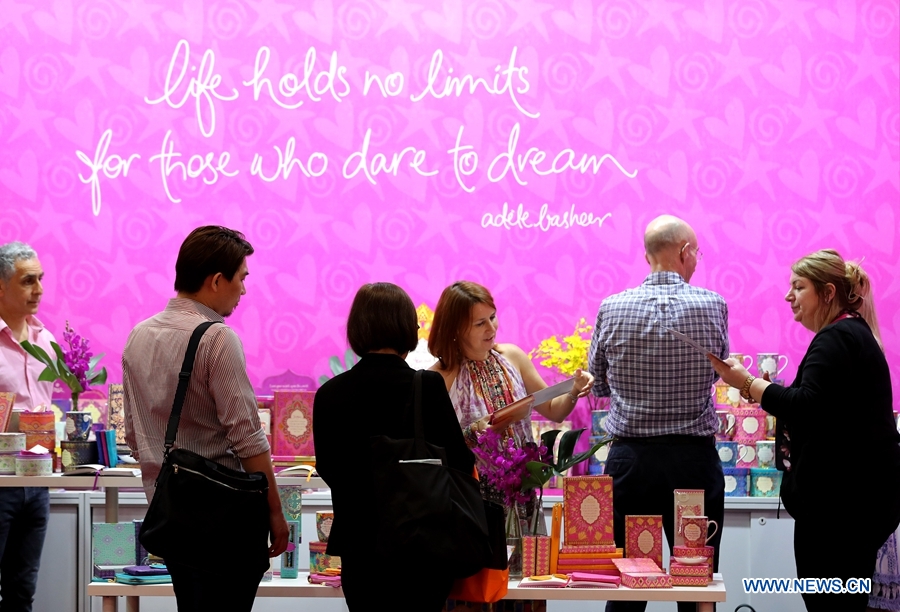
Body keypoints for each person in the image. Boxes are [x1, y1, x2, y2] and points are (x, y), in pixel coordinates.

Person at [710, 249, 900, 612]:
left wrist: (747, 382)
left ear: (827, 293)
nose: (788, 296)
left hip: (840, 513)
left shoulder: (836, 338)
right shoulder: (849, 335)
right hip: (852, 507)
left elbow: (805, 406)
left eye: (799, 287)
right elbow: (821, 406)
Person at [123, 226, 287, 612]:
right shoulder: (217, 338)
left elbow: (132, 435)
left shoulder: (138, 335)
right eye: (241, 278)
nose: (243, 290)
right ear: (216, 280)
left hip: (170, 515)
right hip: (224, 520)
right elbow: (248, 439)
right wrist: (275, 512)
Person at [588, 215, 728, 612]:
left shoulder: (612, 307)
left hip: (631, 463)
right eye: (696, 252)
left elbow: (598, 385)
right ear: (684, 251)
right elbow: (719, 373)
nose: (696, 259)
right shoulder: (713, 304)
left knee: (629, 588)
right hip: (693, 463)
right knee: (695, 586)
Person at [313, 282, 475, 611]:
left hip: (361, 547)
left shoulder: (330, 394)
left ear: (357, 328)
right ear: (407, 328)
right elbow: (459, 463)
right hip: (424, 545)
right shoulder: (427, 387)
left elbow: (329, 467)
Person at [428, 281, 592, 537]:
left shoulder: (512, 357)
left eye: (492, 317)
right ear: (456, 328)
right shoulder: (439, 377)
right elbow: (432, 447)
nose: (491, 328)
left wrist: (573, 391)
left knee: (528, 562)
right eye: (480, 323)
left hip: (521, 493)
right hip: (470, 499)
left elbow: (554, 410)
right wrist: (476, 431)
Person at [0, 242, 54, 612]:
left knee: (22, 592)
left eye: (40, 279)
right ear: (1, 286)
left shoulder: (46, 341)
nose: (38, 289)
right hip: (0, 480)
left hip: (38, 481)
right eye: (27, 281)